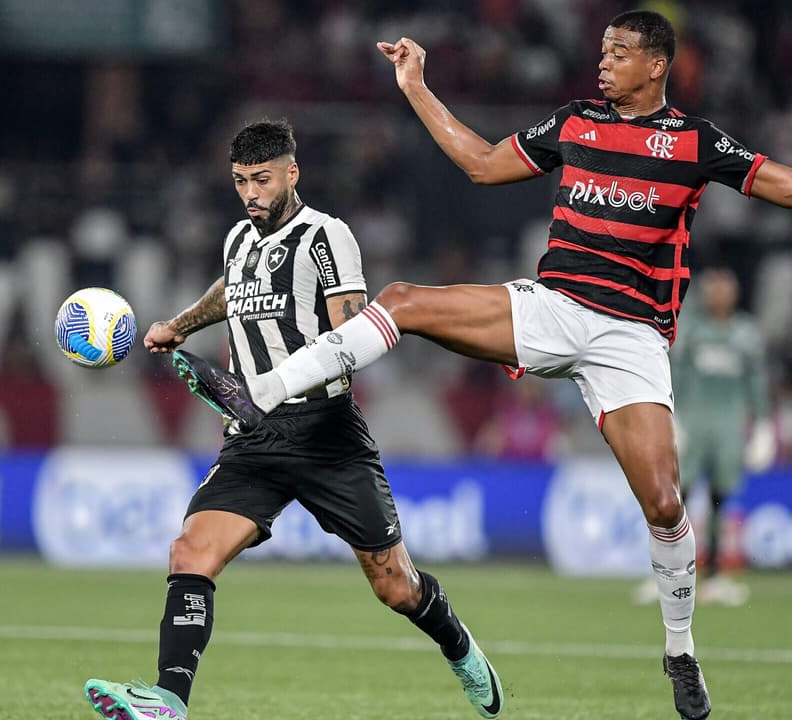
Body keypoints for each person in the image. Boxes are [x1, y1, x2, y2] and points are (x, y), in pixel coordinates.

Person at [169, 11, 792, 720]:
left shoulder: (696, 143)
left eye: (619, 53)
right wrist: (417, 87)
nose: (602, 62)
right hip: (552, 306)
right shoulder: (575, 123)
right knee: (402, 298)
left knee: (665, 504)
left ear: (658, 65)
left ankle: (681, 651)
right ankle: (262, 390)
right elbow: (478, 163)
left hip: (630, 336)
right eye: (601, 50)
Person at [84, 121, 503, 720]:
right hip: (253, 440)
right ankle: (169, 699)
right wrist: (180, 325)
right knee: (191, 551)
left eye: (261, 179)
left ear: (291, 173)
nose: (250, 193)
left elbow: (353, 338)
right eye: (239, 182)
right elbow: (232, 291)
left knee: (396, 587)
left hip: (326, 435)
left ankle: (459, 645)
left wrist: (271, 388)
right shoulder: (238, 239)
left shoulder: (326, 238)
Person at [640, 267, 772, 608]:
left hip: (728, 426)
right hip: (694, 422)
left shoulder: (746, 332)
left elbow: (756, 380)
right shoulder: (693, 330)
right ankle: (666, 575)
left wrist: (762, 425)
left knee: (720, 498)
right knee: (674, 498)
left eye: (725, 288)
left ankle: (713, 575)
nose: (719, 295)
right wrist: (672, 418)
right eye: (714, 289)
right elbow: (674, 374)